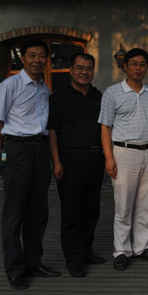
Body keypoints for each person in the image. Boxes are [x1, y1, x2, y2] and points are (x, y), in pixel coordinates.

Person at [0, 39, 60, 290]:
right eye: (32, 55)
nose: (37, 60)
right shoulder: (9, 86)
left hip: (40, 150)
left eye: (42, 56)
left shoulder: (44, 89)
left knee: (38, 212)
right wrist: (4, 154)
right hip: (16, 151)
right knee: (14, 214)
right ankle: (15, 270)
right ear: (22, 58)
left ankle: (33, 262)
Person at [99, 48, 148, 271]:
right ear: (125, 66)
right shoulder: (112, 93)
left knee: (146, 204)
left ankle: (142, 247)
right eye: (134, 63)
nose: (138, 68)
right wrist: (109, 157)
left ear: (147, 67)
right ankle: (122, 251)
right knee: (123, 205)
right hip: (123, 152)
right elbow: (105, 127)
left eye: (142, 64)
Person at [48, 53, 106, 278]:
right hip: (69, 158)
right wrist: (56, 161)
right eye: (80, 68)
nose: (84, 72)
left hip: (95, 158)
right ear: (71, 70)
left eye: (89, 68)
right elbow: (52, 131)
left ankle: (86, 250)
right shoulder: (58, 97)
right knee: (72, 212)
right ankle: (74, 259)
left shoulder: (98, 96)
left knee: (91, 210)